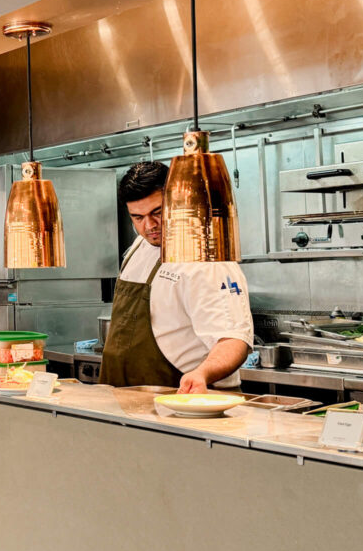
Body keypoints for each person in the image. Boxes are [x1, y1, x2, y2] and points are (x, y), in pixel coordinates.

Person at [100, 161, 252, 393]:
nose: (149, 225)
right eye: (137, 217)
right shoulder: (138, 248)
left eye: (157, 212)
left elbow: (233, 340)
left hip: (186, 399)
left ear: (178, 201)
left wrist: (202, 373)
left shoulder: (207, 259)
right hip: (127, 399)